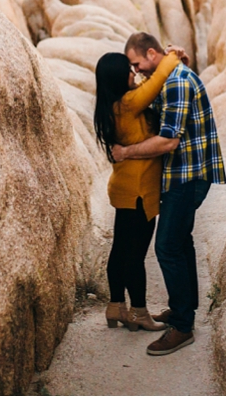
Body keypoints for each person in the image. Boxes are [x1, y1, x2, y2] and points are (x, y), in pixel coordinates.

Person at [111, 32, 226, 356]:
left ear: (150, 53)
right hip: (184, 174)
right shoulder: (173, 76)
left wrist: (126, 152)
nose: (138, 71)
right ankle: (182, 312)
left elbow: (168, 140)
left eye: (137, 63)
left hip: (186, 176)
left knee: (166, 246)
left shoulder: (176, 81)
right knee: (181, 242)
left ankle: (183, 329)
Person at [91, 47, 181, 333]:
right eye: (129, 70)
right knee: (134, 256)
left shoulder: (113, 104)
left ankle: (116, 306)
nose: (135, 73)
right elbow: (156, 83)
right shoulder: (129, 104)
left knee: (120, 252)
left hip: (124, 188)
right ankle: (139, 313)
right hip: (139, 191)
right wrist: (172, 56)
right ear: (120, 77)